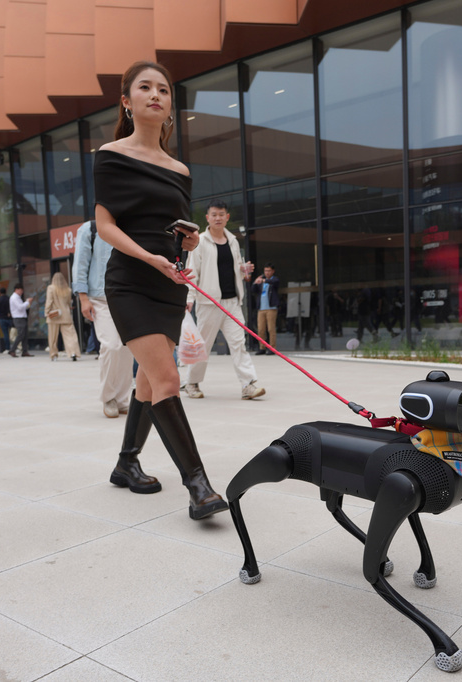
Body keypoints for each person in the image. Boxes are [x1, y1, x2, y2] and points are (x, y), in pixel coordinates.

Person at [93, 60, 227, 520]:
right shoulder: (110, 154)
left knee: (149, 383)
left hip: (170, 280)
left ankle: (126, 463)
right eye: (145, 88)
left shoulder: (179, 169)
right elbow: (104, 225)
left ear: (170, 105)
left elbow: (176, 227)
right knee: (169, 379)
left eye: (164, 90)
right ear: (127, 102)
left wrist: (187, 242)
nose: (156, 95)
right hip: (131, 280)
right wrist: (148, 257)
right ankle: (199, 486)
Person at [183, 200, 265, 401]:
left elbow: (236, 265)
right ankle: (192, 383)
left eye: (221, 214)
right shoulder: (200, 241)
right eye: (214, 214)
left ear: (227, 217)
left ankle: (248, 384)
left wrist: (243, 270)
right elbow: (192, 271)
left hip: (232, 302)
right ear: (207, 218)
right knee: (203, 346)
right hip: (209, 302)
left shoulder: (233, 241)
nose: (218, 218)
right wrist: (189, 297)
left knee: (239, 344)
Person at [73, 219, 134, 418]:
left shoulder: (127, 227)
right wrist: (83, 298)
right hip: (100, 298)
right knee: (111, 345)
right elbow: (80, 263)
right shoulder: (90, 229)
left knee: (127, 349)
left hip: (127, 296)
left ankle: (123, 398)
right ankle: (108, 397)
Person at [43, 272, 80, 361]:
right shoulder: (68, 289)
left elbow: (49, 301)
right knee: (70, 335)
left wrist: (46, 312)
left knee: (53, 337)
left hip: (54, 315)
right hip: (66, 315)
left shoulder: (51, 288)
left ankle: (54, 355)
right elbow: (68, 303)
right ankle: (73, 353)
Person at [252, 263, 279, 355]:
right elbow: (253, 290)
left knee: (271, 329)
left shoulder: (274, 280)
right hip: (261, 308)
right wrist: (255, 282)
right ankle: (262, 347)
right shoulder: (261, 282)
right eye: (265, 271)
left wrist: (263, 280)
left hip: (271, 308)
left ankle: (272, 348)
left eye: (269, 271)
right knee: (260, 329)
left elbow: (274, 282)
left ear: (273, 271)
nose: (267, 273)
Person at [8, 284, 34, 357]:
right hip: (18, 318)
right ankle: (12, 350)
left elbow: (23, 308)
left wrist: (28, 304)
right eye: (21, 290)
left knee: (24, 335)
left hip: (22, 317)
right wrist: (27, 302)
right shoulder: (14, 297)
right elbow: (20, 307)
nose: (22, 292)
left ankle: (25, 351)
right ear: (17, 289)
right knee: (21, 334)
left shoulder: (18, 297)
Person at [0, 287, 13, 352]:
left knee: (5, 334)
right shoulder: (9, 299)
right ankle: (14, 346)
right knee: (13, 333)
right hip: (10, 318)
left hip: (2, 318)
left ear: (0, 292)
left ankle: (7, 348)